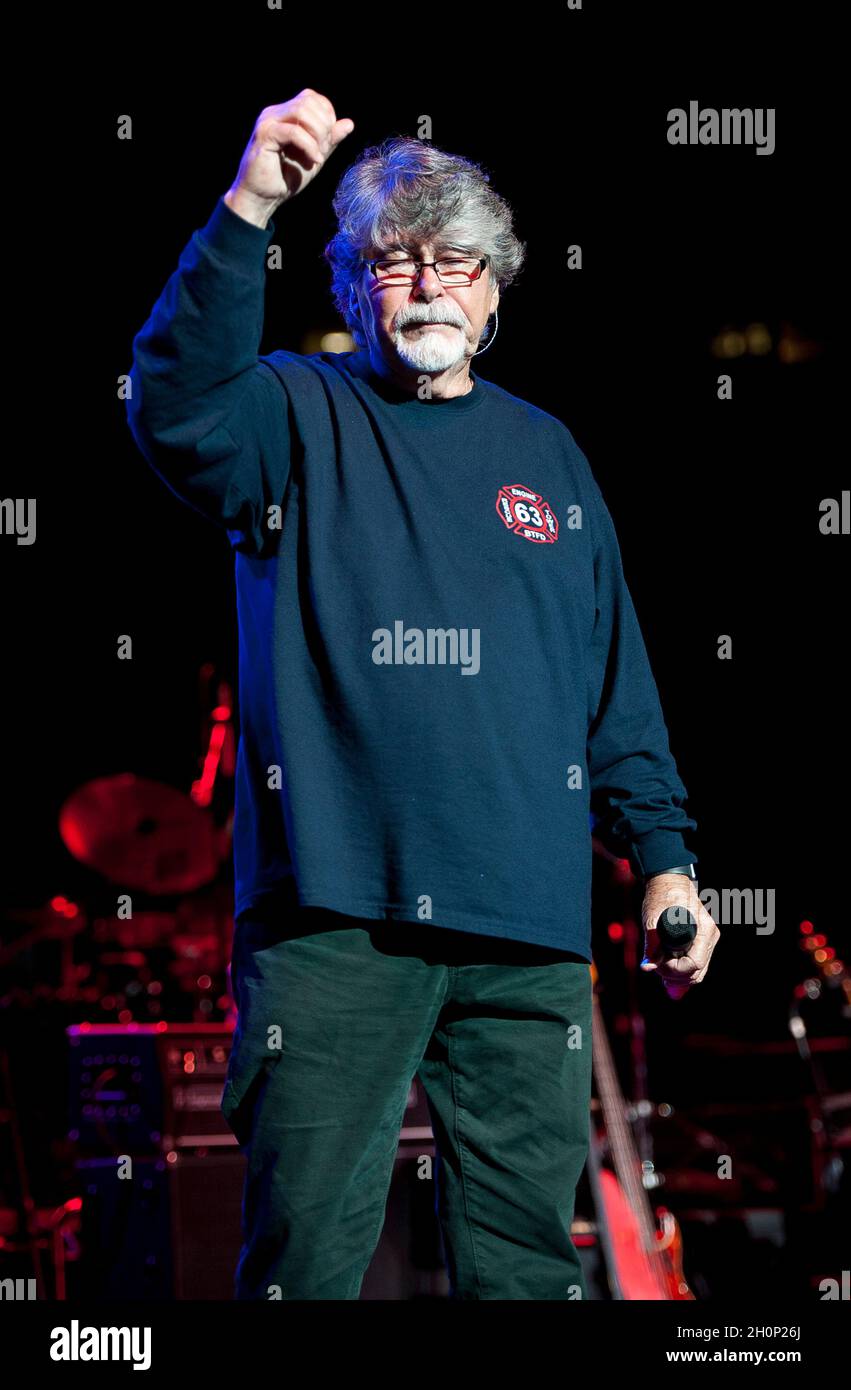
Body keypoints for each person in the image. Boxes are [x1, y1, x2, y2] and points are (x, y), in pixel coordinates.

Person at [125, 88, 720, 1300]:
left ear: (495, 291)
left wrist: (663, 856)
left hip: (526, 936)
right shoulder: (292, 413)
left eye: (456, 262)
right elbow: (173, 405)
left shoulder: (550, 456)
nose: (430, 285)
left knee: (524, 1276)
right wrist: (249, 206)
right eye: (396, 264)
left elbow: (613, 686)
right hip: (336, 925)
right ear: (354, 288)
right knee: (307, 1259)